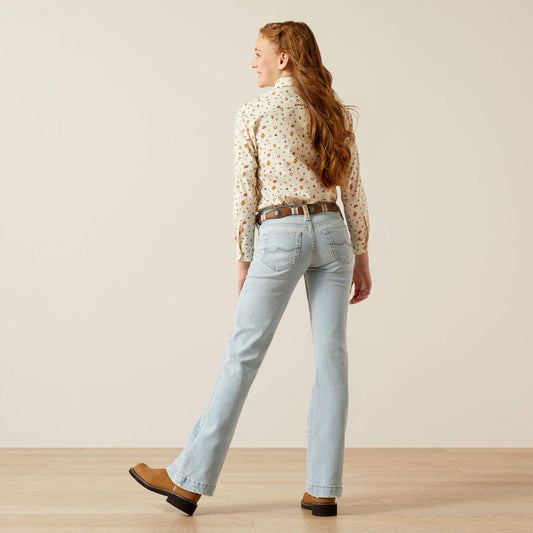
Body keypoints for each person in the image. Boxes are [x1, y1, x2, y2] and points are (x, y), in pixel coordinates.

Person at [129, 20, 372, 517]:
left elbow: (246, 190)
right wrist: (362, 254)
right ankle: (323, 490)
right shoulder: (331, 110)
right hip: (333, 234)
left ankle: (188, 481)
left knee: (243, 355)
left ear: (283, 58)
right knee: (332, 359)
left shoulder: (255, 110)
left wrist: (244, 256)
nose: (253, 61)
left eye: (259, 52)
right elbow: (353, 189)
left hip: (280, 233)